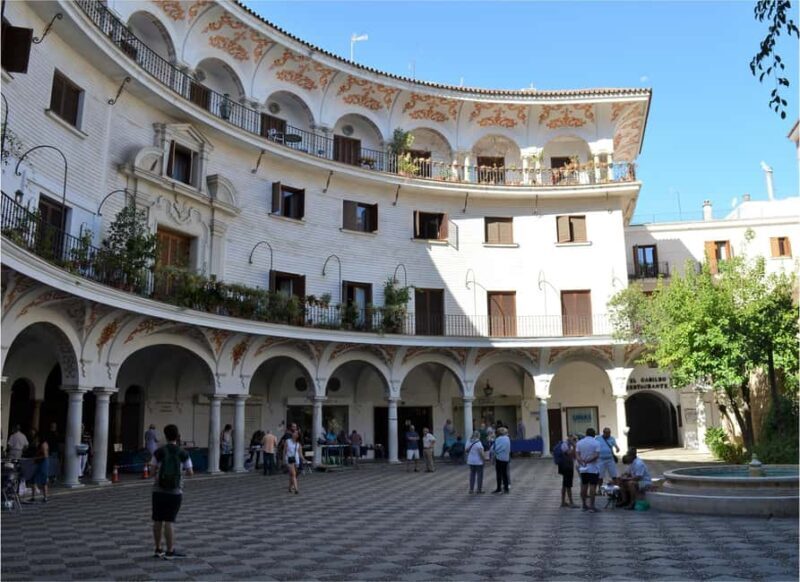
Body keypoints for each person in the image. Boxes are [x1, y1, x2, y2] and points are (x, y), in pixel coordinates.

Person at [151, 424, 193, 559]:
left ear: (165, 435)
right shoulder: (183, 453)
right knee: (169, 520)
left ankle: (158, 549)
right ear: (177, 436)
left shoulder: (159, 452)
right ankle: (170, 551)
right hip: (175, 490)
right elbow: (190, 472)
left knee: (158, 519)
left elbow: (152, 471)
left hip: (158, 489)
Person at [575, 428, 602, 512]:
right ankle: (592, 506)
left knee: (584, 485)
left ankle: (584, 505)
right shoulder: (596, 443)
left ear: (586, 434)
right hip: (593, 468)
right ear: (594, 435)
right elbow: (596, 455)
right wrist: (588, 461)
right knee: (593, 486)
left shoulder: (579, 442)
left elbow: (577, 455)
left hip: (583, 468)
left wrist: (582, 461)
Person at [554, 434, 578, 508]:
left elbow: (574, 456)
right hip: (566, 467)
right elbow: (570, 454)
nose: (575, 440)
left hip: (568, 466)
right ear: (569, 437)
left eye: (575, 439)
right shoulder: (565, 445)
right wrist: (574, 446)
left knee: (565, 484)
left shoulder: (569, 445)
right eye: (574, 439)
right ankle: (571, 502)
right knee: (568, 485)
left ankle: (563, 502)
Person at [490, 427, 511, 494]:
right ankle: (506, 488)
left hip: (499, 458)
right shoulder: (507, 438)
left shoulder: (498, 439)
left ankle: (499, 488)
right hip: (506, 458)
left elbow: (494, 448)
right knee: (505, 473)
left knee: (499, 474)